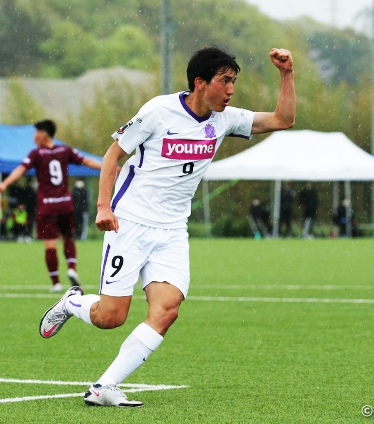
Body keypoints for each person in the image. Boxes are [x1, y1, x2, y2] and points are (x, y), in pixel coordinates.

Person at [39, 46, 295, 407]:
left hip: (173, 230)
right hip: (130, 222)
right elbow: (114, 154)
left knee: (167, 310)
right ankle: (73, 303)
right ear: (200, 82)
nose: (231, 90)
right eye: (225, 81)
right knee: (112, 317)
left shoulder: (225, 119)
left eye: (233, 82)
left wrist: (286, 74)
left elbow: (282, 120)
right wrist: (102, 206)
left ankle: (103, 387)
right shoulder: (159, 111)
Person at [0, 120, 102, 292]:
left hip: (47, 207)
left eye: (36, 132)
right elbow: (86, 160)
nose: (33, 136)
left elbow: (21, 169)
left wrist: (4, 184)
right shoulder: (64, 150)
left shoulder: (36, 153)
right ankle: (72, 268)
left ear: (43, 134)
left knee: (50, 245)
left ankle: (56, 283)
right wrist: (106, 166)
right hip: (65, 204)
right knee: (68, 239)